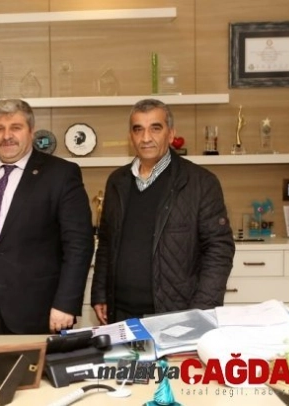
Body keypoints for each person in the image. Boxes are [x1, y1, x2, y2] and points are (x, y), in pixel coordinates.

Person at [0, 99, 94, 335]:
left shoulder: (61, 174)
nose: (7, 136)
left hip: (41, 314)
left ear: (31, 131)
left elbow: (78, 246)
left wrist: (66, 303)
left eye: (15, 127)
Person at [91, 98, 235, 325]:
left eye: (155, 128)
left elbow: (219, 251)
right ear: (131, 136)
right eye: (138, 129)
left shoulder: (201, 182)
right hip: (120, 315)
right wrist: (100, 292)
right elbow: (106, 244)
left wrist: (201, 312)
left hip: (176, 316)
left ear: (171, 134)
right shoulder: (117, 181)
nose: (146, 138)